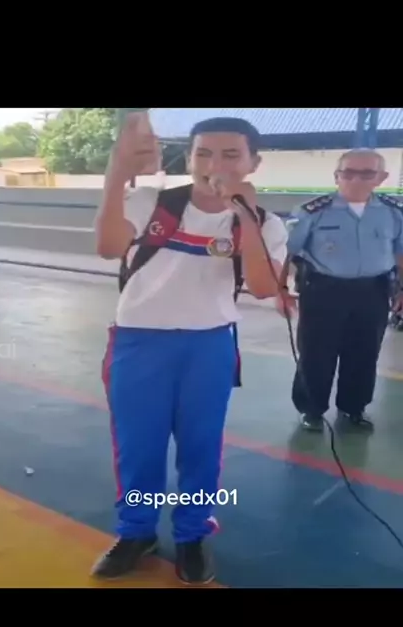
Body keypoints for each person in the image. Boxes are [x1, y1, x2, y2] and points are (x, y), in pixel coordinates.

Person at [92, 114, 288, 584]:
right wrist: (117, 172)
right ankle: (136, 531)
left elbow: (265, 286)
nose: (214, 164)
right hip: (139, 342)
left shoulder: (266, 224)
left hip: (209, 345)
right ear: (190, 158)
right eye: (203, 153)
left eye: (230, 154)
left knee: (201, 448)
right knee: (138, 447)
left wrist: (245, 214)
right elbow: (109, 246)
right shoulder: (152, 202)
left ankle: (193, 535)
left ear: (254, 163)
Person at [280, 148, 403, 432]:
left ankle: (353, 407)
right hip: (323, 290)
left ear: (381, 177)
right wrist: (280, 289)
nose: (356, 180)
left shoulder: (393, 212)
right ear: (337, 176)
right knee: (316, 353)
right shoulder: (312, 211)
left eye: (367, 173)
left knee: (364, 352)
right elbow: (286, 252)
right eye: (348, 173)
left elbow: (400, 253)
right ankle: (311, 409)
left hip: (374, 291)